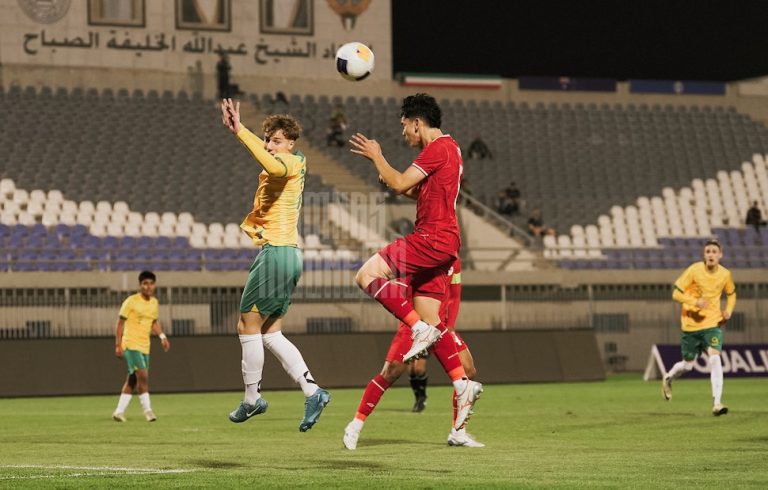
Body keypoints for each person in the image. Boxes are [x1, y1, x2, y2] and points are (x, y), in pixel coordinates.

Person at [348, 93, 482, 433]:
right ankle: (461, 387)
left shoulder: (436, 149)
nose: (404, 132)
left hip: (431, 238)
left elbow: (398, 181)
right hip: (444, 243)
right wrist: (392, 178)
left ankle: (417, 329)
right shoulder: (450, 149)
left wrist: (378, 158)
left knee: (367, 275)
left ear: (417, 122)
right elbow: (417, 192)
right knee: (435, 322)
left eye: (404, 125)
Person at [220, 98, 330, 431]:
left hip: (278, 252)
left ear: (291, 143)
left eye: (276, 140)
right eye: (268, 139)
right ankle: (312, 390)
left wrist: (241, 130)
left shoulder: (291, 162)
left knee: (246, 327)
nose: (270, 145)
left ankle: (252, 400)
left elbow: (275, 167)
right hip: (289, 253)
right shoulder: (288, 160)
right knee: (270, 331)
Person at [343, 259, 484, 449]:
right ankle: (355, 426)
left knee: (468, 371)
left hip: (441, 326)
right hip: (414, 326)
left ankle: (458, 433)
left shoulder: (454, 259)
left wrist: (450, 327)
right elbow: (400, 292)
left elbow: (454, 294)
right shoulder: (420, 254)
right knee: (390, 373)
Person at [662, 240, 736, 416]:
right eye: (708, 251)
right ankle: (668, 378)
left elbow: (731, 294)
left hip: (712, 325)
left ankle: (717, 403)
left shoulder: (725, 274)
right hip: (690, 326)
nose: (711, 254)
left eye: (714, 251)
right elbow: (675, 293)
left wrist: (728, 311)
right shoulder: (694, 270)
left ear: (720, 255)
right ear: (704, 255)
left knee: (715, 359)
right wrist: (695, 301)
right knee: (688, 366)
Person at [112, 270, 170, 422]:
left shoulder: (154, 303)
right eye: (145, 283)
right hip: (131, 344)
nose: (148, 287)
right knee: (143, 376)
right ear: (140, 285)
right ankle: (148, 410)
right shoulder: (131, 301)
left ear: (154, 286)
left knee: (133, 379)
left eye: (151, 283)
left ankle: (118, 412)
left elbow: (153, 322)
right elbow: (120, 323)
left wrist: (162, 336)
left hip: (145, 346)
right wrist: (118, 345)